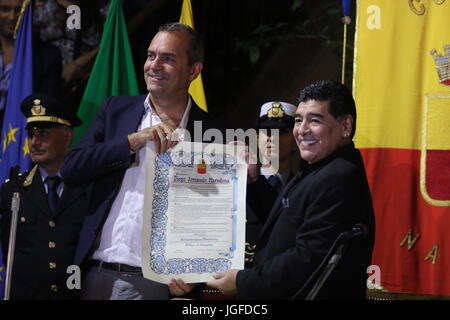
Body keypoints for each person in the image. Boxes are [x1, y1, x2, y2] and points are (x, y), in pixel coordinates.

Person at [61, 22, 224, 300]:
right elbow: (72, 168)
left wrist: (197, 274)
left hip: (155, 284)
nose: (154, 65)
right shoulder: (116, 110)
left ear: (193, 71)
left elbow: (216, 219)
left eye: (168, 58)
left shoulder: (210, 134)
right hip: (92, 274)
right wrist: (132, 141)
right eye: (151, 55)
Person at [207, 80, 375, 299]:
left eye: (315, 120)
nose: (302, 130)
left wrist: (242, 282)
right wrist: (253, 181)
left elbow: (308, 259)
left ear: (345, 126)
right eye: (298, 120)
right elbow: (280, 223)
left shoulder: (337, 176)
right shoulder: (318, 169)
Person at [0, 94, 89, 299]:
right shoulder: (14, 190)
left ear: (67, 136)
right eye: (31, 135)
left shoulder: (86, 188)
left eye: (43, 134)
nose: (35, 142)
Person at [245, 101, 298, 266]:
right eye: (266, 131)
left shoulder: (305, 189)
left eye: (282, 132)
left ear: (296, 139)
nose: (272, 138)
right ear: (256, 138)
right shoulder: (239, 186)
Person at [0, 0, 62, 131]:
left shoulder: (49, 57)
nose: (12, 17)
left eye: (18, 10)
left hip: (23, 139)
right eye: (5, 9)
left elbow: (44, 110)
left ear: (30, 11)